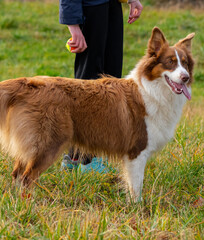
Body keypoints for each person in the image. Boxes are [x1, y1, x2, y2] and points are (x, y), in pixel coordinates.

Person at [59, 0, 143, 172]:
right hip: (91, 9)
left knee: (110, 84)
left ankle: (77, 157)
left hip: (112, 6)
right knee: (89, 88)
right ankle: (86, 160)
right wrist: (73, 26)